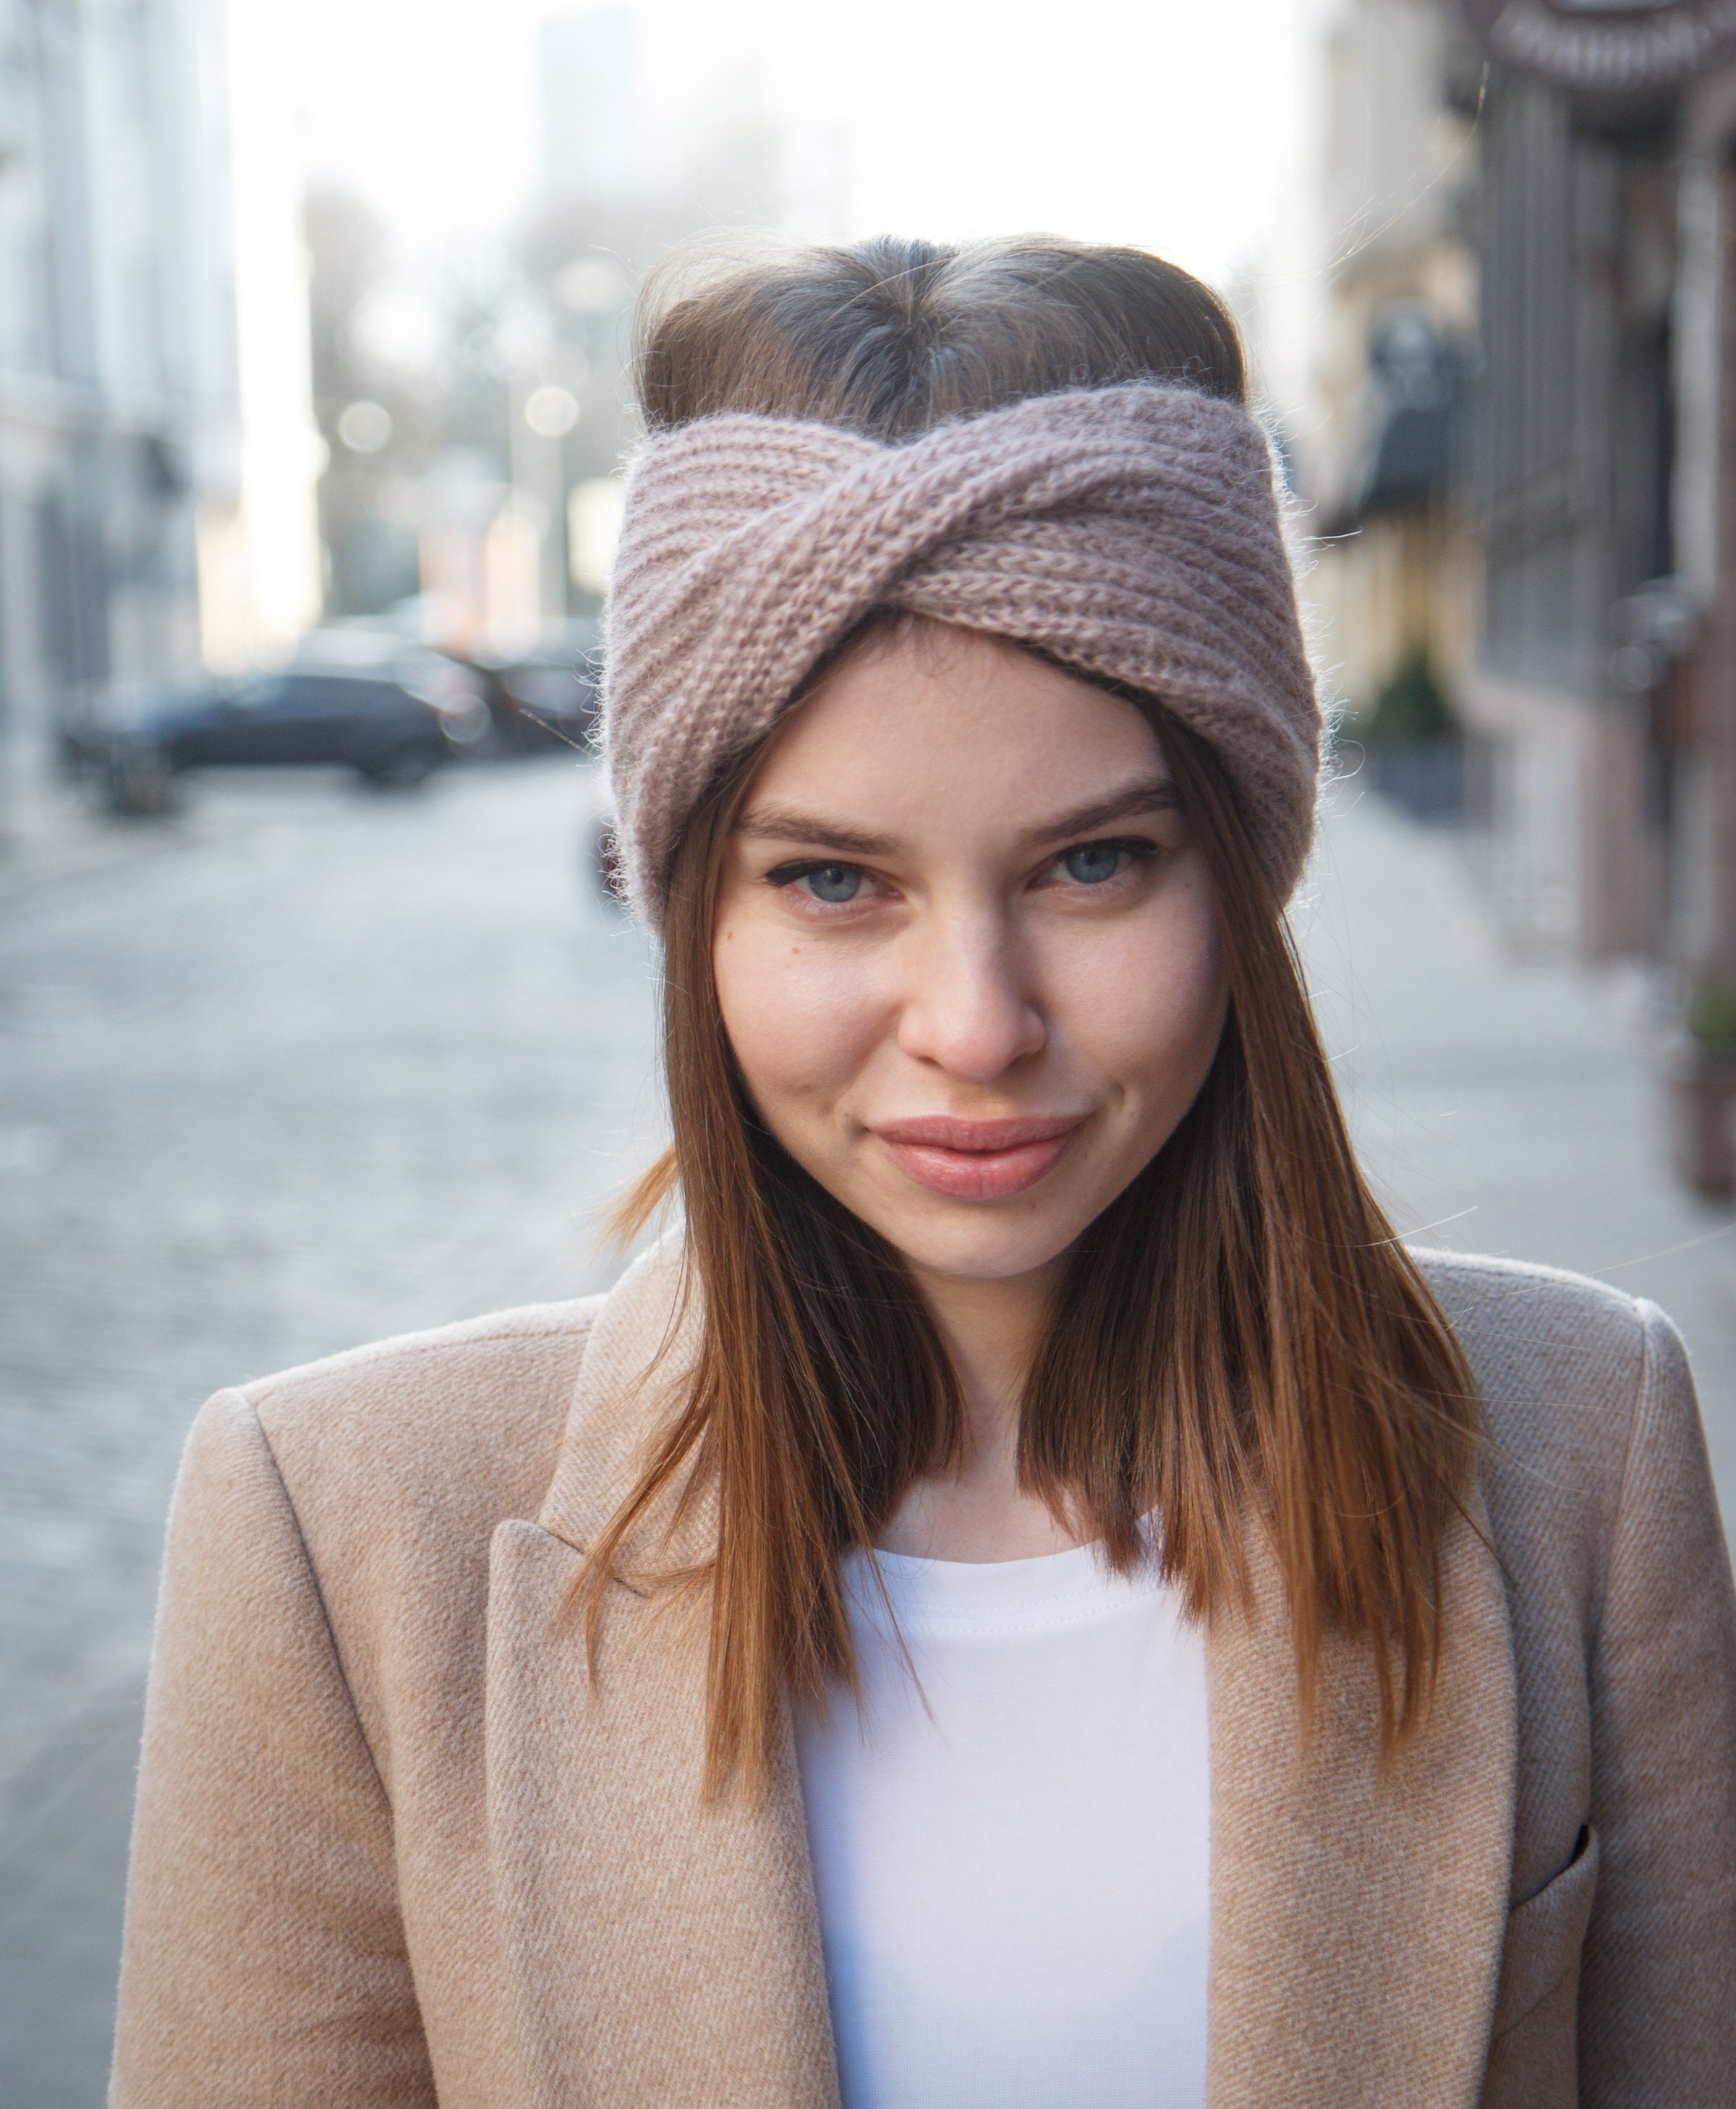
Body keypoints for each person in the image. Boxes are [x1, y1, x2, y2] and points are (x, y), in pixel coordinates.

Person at [111, 239, 1736, 2109]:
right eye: (831, 880)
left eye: (1094, 864)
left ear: (1245, 871)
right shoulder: (342, 1534)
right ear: (692, 910)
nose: (975, 1023)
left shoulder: (1582, 1448)